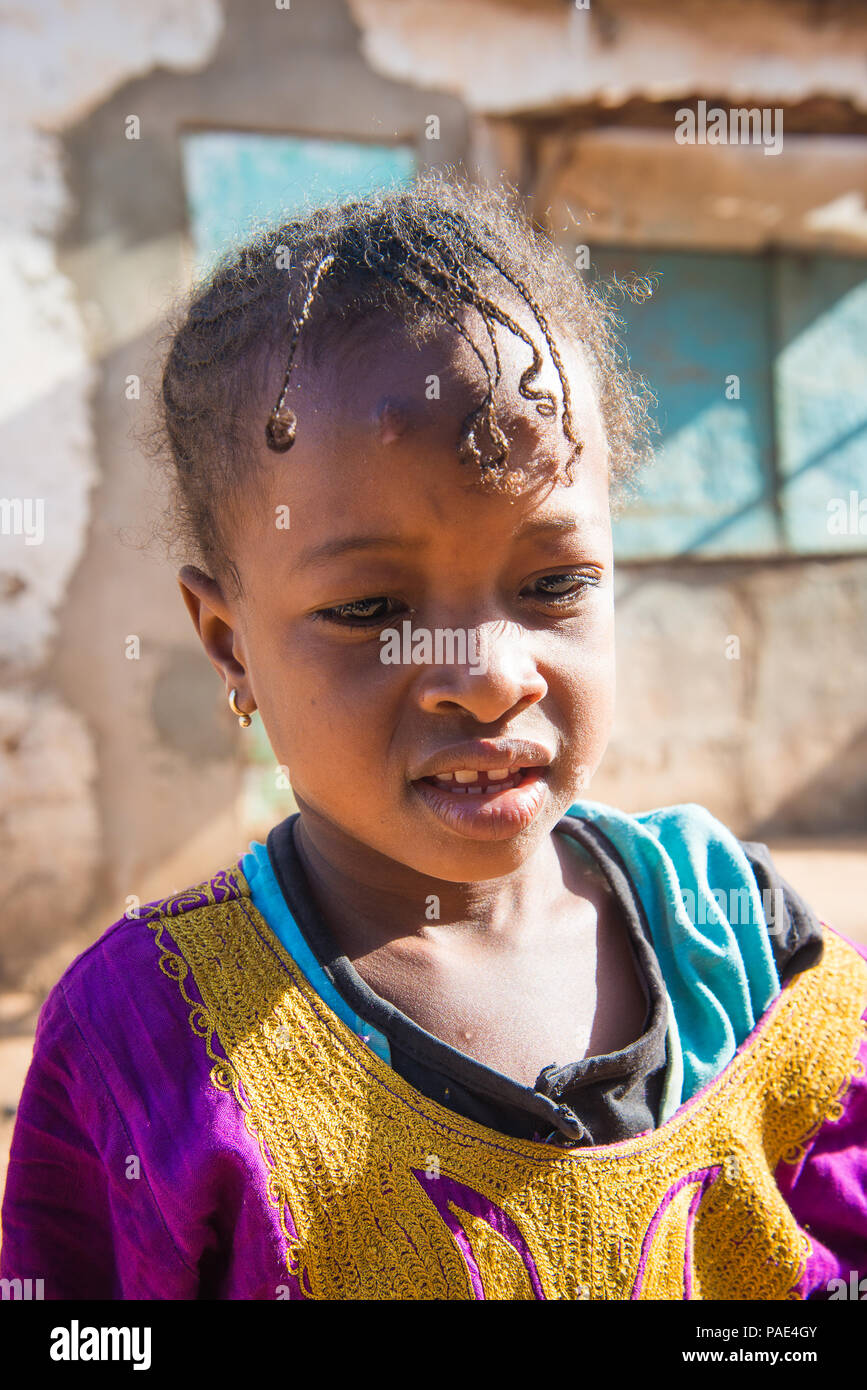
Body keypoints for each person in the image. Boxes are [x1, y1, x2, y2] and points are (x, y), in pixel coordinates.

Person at [2, 172, 865, 1301]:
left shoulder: (740, 942)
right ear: (229, 644)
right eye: (371, 611)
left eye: (553, 580)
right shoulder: (151, 1044)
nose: (489, 678)